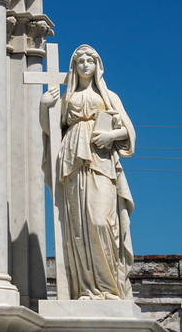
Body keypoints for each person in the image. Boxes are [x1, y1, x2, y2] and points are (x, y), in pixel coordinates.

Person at [40, 45, 135, 300]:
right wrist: (43, 106)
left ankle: (109, 287)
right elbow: (50, 130)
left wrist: (111, 135)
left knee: (100, 220)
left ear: (96, 66)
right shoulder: (67, 99)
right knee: (77, 225)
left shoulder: (109, 96)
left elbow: (129, 130)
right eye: (79, 60)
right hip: (71, 159)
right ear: (74, 66)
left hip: (100, 159)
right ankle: (85, 289)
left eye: (89, 60)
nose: (84, 64)